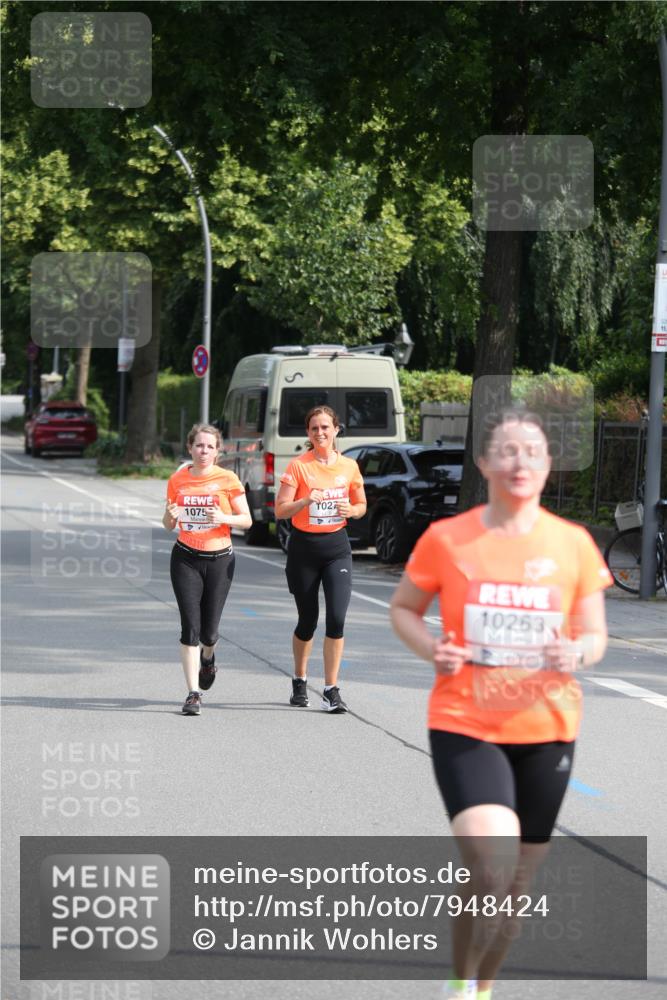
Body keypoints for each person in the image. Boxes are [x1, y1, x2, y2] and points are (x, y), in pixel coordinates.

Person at [389, 407, 613, 1000]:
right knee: (489, 870)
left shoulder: (573, 544)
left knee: (512, 894)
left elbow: (595, 636)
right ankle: (460, 985)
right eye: (508, 451)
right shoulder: (449, 539)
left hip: (548, 727)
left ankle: (480, 986)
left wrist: (577, 653)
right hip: (466, 721)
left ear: (548, 466)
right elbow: (403, 610)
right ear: (485, 462)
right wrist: (432, 647)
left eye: (533, 452)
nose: (520, 462)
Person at [275, 405, 367, 713]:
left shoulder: (349, 467)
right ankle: (300, 680)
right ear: (308, 434)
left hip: (336, 547)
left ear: (336, 429)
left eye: (325, 427)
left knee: (337, 618)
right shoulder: (299, 467)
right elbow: (280, 510)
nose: (320, 433)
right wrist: (304, 500)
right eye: (314, 428)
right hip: (304, 549)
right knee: (307, 620)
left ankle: (331, 689)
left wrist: (352, 511)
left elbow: (361, 504)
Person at [163, 423, 251, 715]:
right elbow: (168, 524)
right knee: (190, 627)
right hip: (185, 558)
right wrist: (169, 515)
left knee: (209, 633)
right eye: (199, 445)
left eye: (210, 446)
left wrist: (223, 516)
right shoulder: (177, 480)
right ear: (190, 447)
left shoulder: (227, 478)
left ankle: (209, 657)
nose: (204, 451)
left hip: (220, 560)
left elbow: (247, 520)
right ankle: (192, 694)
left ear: (218, 451)